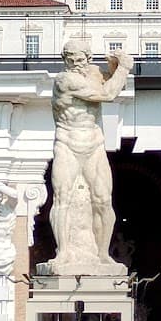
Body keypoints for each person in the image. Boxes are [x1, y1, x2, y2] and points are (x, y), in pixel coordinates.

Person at [40, 37, 133, 274]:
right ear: (64, 61)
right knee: (63, 198)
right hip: (67, 142)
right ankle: (63, 253)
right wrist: (123, 68)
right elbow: (107, 94)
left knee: (103, 200)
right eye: (70, 60)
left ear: (88, 58)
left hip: (94, 143)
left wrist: (114, 66)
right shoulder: (64, 80)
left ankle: (102, 254)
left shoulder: (92, 73)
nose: (75, 64)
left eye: (80, 59)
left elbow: (108, 83)